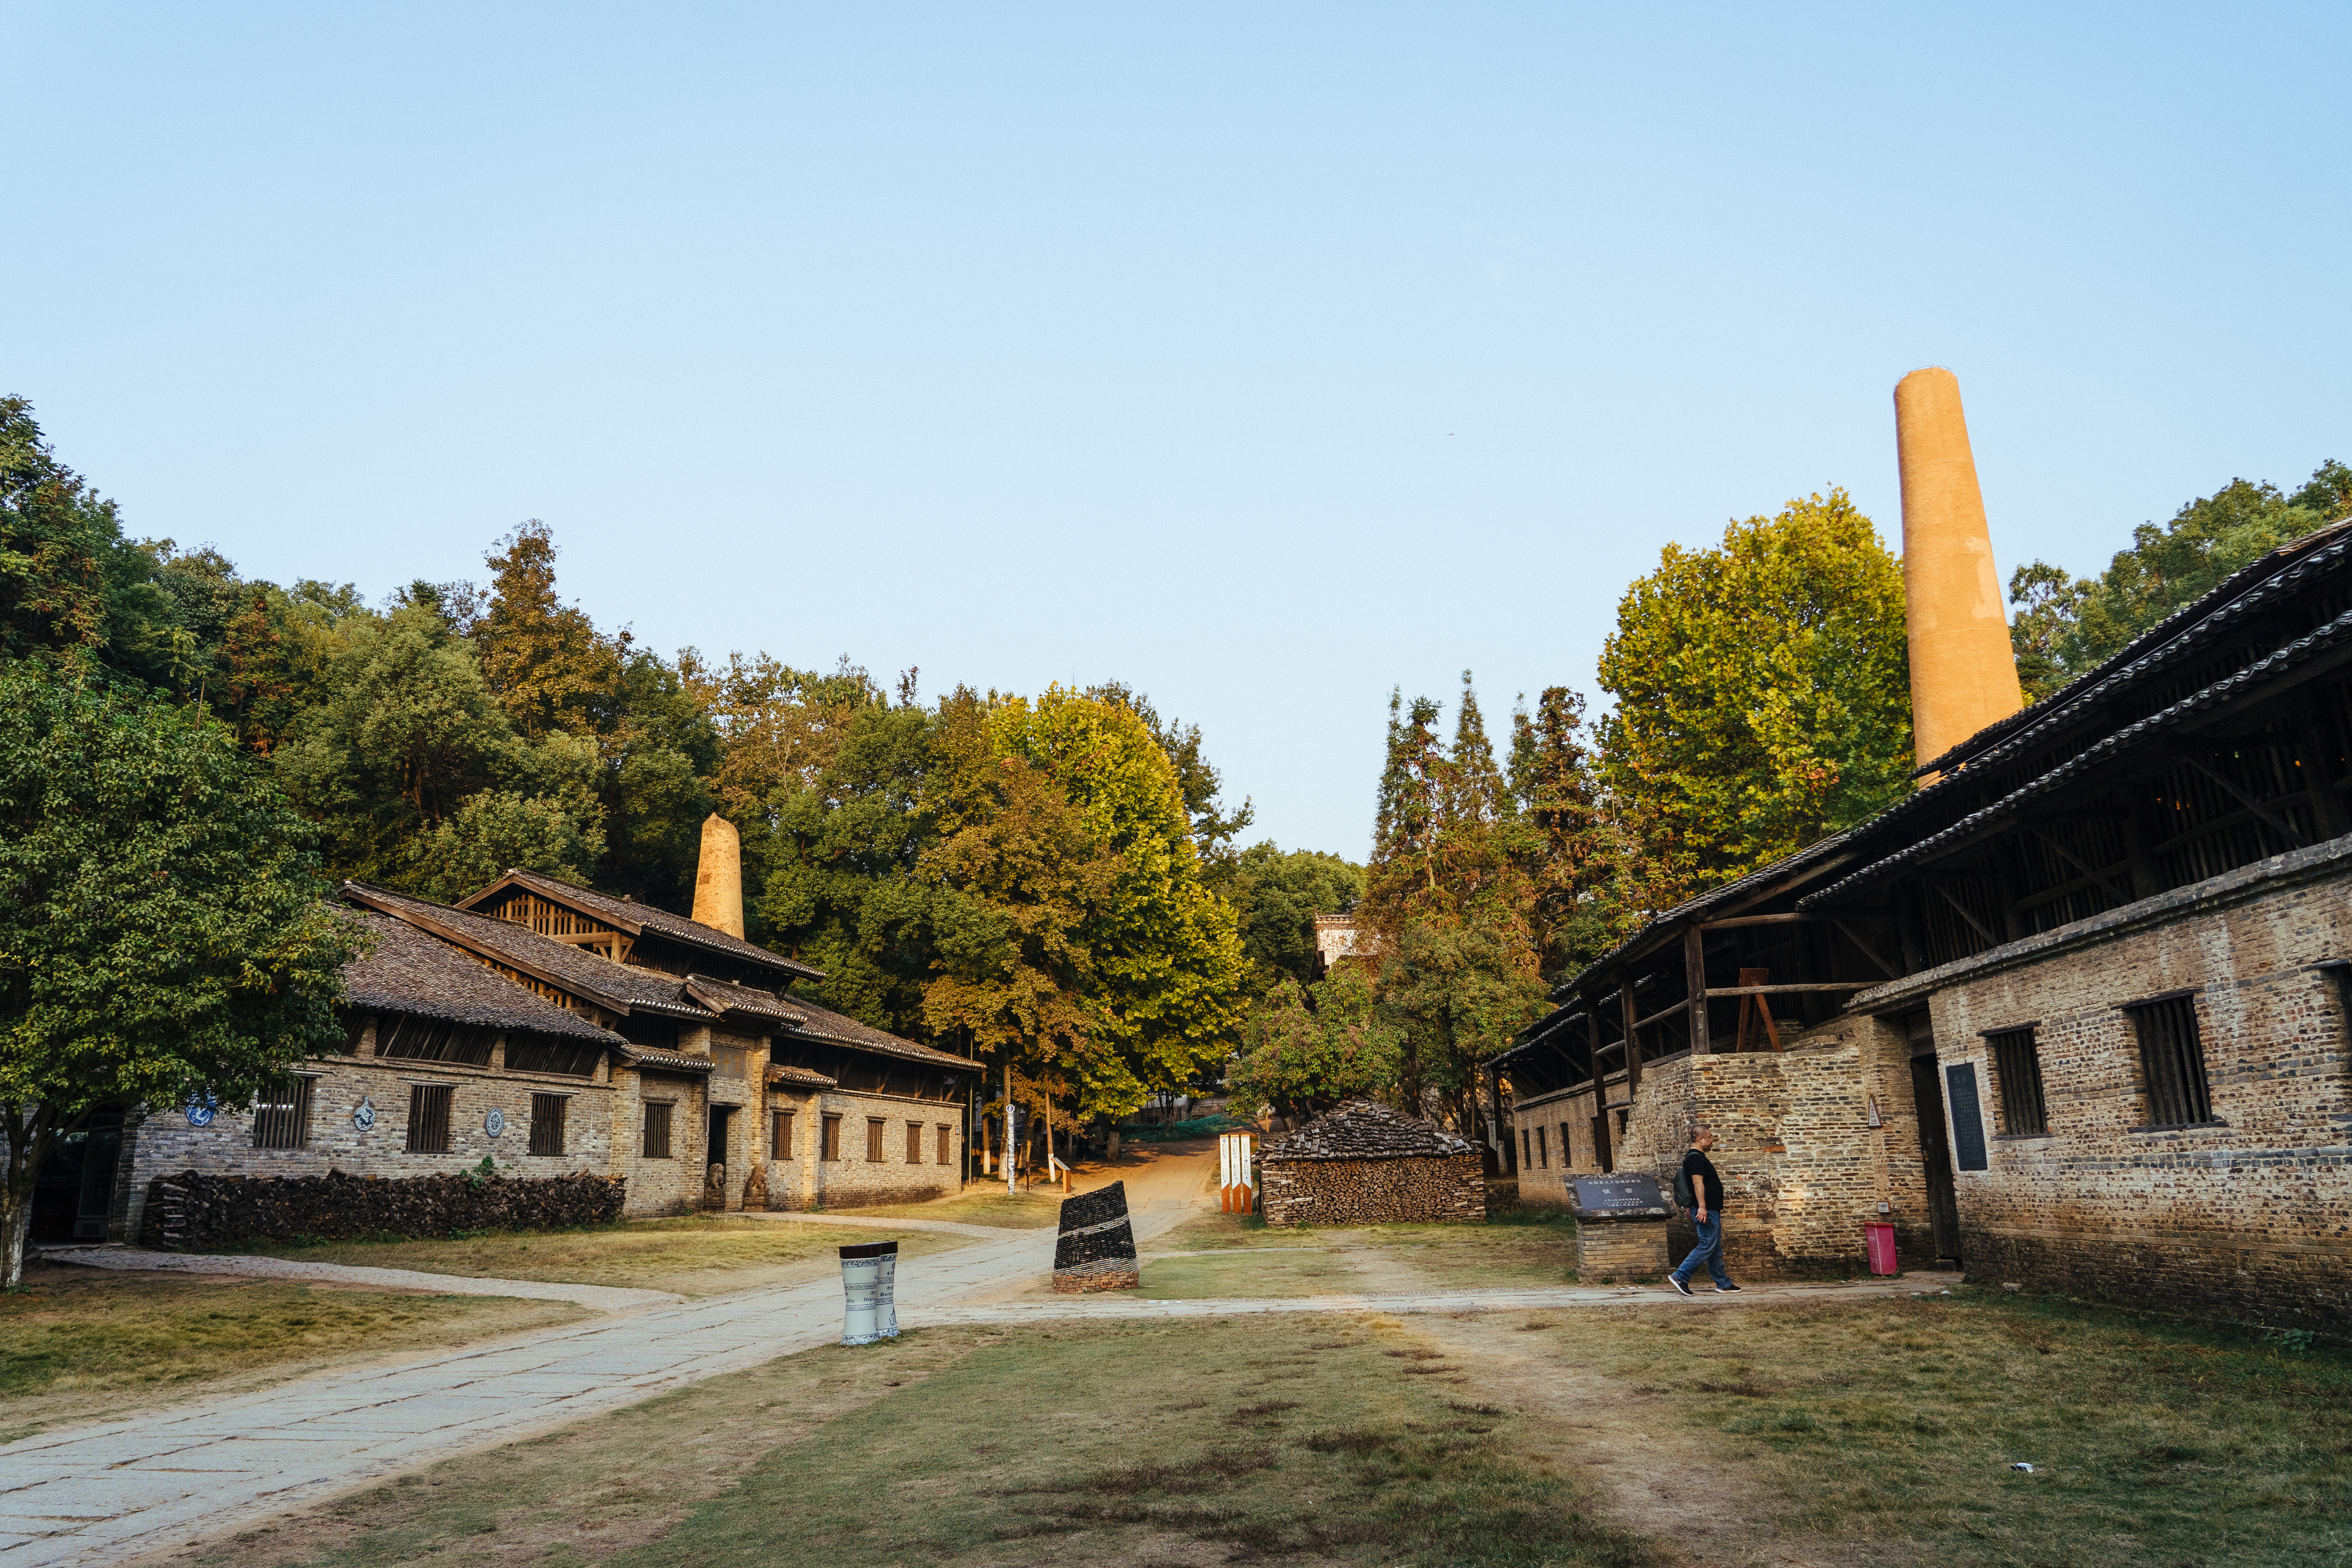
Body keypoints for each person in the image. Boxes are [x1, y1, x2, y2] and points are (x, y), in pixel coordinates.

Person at [1669, 1126, 1740, 1296]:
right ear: (1700, 1139)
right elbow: (1696, 1183)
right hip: (1706, 1209)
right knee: (1707, 1244)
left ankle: (1723, 1283)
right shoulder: (1695, 1158)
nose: (1712, 1140)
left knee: (1714, 1248)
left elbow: (1691, 1185)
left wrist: (1692, 1206)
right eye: (1709, 1137)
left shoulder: (1697, 1157)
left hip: (1708, 1208)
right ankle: (1681, 1276)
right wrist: (1701, 1207)